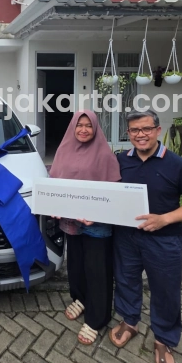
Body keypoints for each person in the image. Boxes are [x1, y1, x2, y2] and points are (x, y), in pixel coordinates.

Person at [110, 109, 182, 363]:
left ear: (157, 130)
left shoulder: (179, 165)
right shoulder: (120, 161)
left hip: (164, 240)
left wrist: (164, 219)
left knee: (165, 290)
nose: (140, 135)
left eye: (146, 129)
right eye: (134, 130)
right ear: (128, 133)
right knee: (126, 280)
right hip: (126, 237)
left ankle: (164, 340)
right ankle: (130, 321)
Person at [49, 110, 120, 345]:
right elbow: (54, 183)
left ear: (96, 128)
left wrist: (97, 213)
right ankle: (80, 298)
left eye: (88, 125)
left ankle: (96, 319)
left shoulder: (105, 154)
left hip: (96, 224)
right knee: (76, 265)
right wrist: (53, 205)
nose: (83, 130)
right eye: (79, 125)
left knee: (97, 270)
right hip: (71, 222)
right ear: (73, 127)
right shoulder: (63, 150)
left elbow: (113, 192)